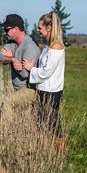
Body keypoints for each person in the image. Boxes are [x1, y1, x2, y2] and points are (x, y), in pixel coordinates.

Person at [21, 11, 66, 152]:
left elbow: (46, 72)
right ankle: (46, 153)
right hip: (45, 90)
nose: (38, 30)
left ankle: (60, 155)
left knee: (53, 125)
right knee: (43, 123)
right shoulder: (49, 46)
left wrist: (30, 68)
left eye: (40, 28)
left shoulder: (56, 47)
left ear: (49, 28)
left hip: (51, 92)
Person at [0, 14, 41, 94]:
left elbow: (24, 73)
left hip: (29, 89)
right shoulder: (11, 43)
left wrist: (10, 59)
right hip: (14, 89)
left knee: (6, 105)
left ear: (16, 29)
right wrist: (12, 59)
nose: (5, 33)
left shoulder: (30, 46)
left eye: (6, 30)